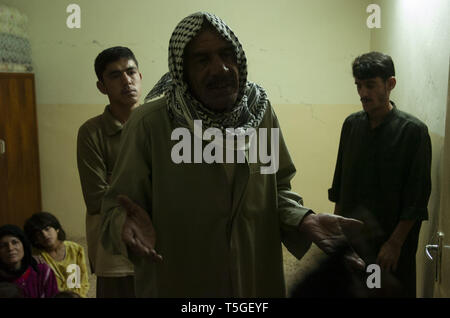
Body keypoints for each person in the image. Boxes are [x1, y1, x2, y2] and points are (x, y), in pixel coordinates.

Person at [100, 12, 365, 298]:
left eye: (228, 55)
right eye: (203, 60)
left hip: (253, 279)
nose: (221, 69)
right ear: (182, 71)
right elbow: (116, 206)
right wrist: (122, 225)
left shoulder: (259, 111)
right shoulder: (150, 123)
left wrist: (303, 219)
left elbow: (277, 188)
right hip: (181, 281)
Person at [329, 51, 432, 297]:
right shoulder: (351, 125)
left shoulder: (413, 132)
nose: (364, 93)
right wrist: (336, 234)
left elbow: (416, 199)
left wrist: (395, 244)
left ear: (390, 84)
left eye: (371, 85)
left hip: (391, 247)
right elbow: (341, 185)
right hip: (354, 242)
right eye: (359, 86)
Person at [77, 46, 142, 297]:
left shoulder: (161, 125)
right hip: (112, 247)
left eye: (131, 72)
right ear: (101, 87)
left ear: (140, 76)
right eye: (115, 76)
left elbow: (173, 188)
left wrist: (115, 181)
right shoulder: (91, 132)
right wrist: (147, 186)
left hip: (159, 239)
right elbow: (96, 198)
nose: (126, 80)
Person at [24, 212, 90, 297]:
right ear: (35, 239)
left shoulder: (75, 249)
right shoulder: (37, 257)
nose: (45, 235)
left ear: (57, 229)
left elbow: (84, 281)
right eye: (39, 233)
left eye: (47, 229)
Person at [0, 224, 59, 298]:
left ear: (24, 245)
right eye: (3, 245)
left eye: (15, 242)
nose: (10, 248)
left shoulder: (41, 271)